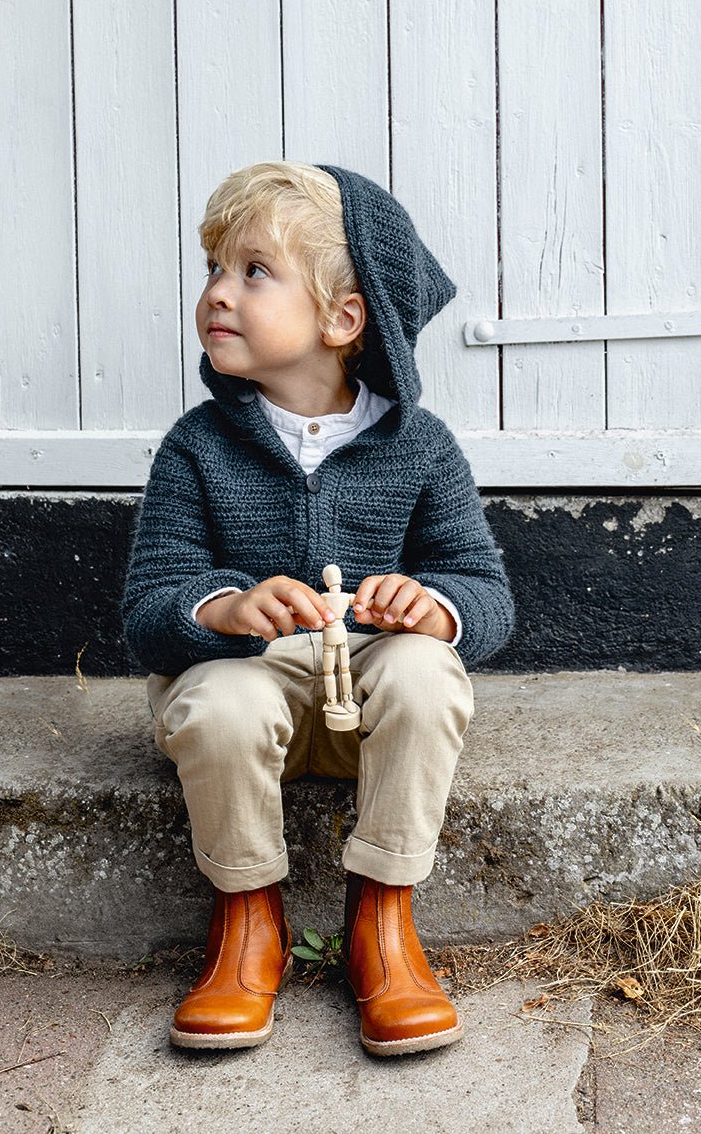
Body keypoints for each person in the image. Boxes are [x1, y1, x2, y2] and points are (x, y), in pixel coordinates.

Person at [122, 161, 513, 1057]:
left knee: (424, 670)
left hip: (361, 709)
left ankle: (383, 920)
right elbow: (148, 606)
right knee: (222, 696)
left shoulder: (419, 446)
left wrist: (434, 603)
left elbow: (487, 595)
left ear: (343, 320)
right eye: (215, 269)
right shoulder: (198, 446)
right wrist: (221, 608)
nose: (219, 292)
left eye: (253, 271)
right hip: (250, 706)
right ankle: (246, 924)